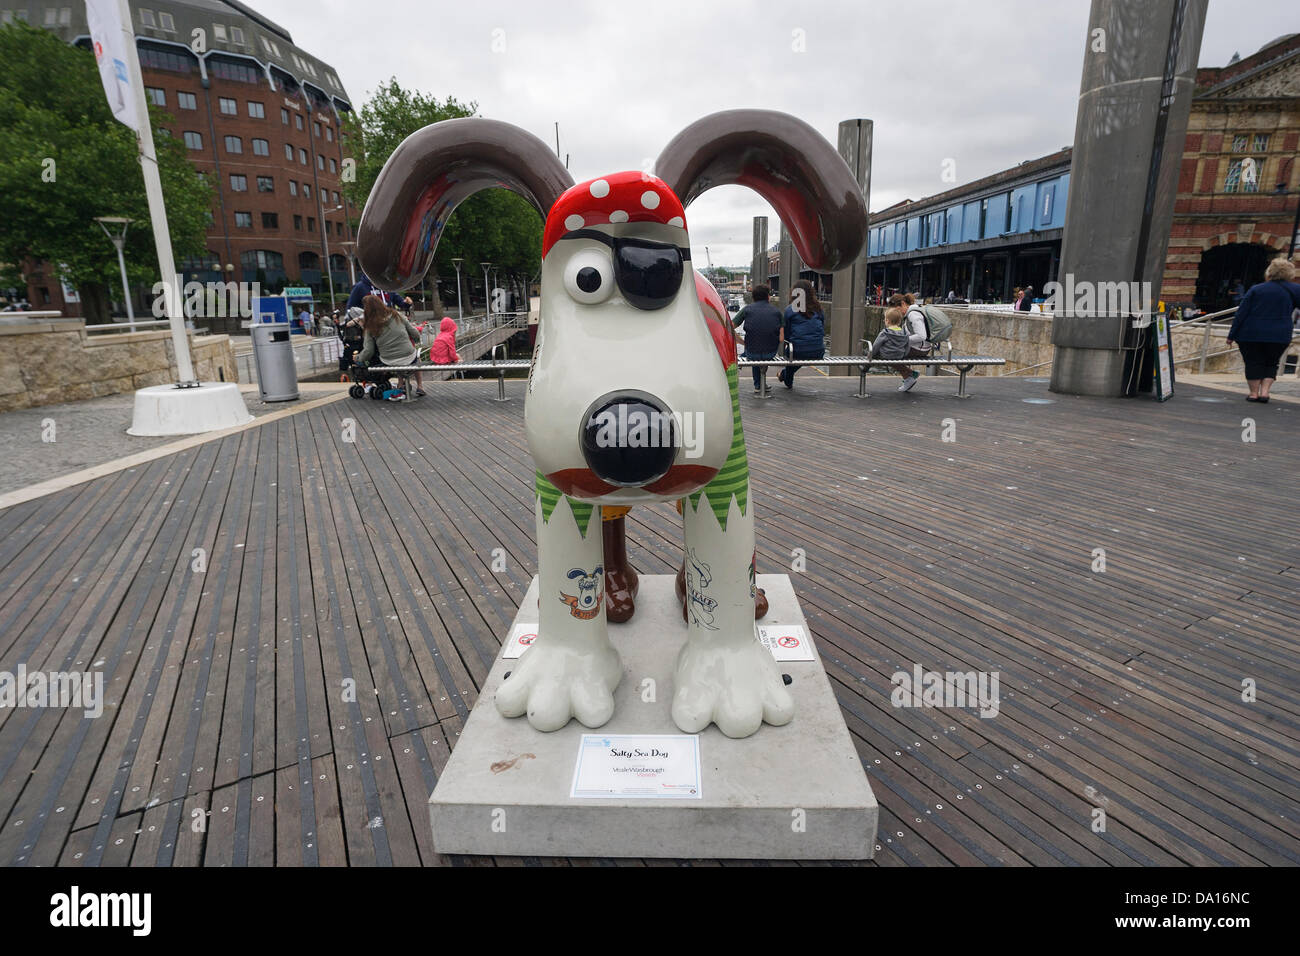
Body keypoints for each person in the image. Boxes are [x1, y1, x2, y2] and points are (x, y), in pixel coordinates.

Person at [1226, 258, 1300, 403]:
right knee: (1272, 362)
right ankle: (1265, 392)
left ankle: (1253, 393)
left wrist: (1231, 335)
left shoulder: (1257, 289)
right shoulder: (1296, 289)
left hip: (1251, 333)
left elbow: (1241, 313)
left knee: (1253, 362)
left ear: (1270, 272)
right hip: (1279, 333)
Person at [357, 294, 425, 396]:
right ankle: (420, 386)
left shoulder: (370, 325)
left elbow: (368, 351)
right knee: (415, 356)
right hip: (408, 356)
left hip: (387, 360)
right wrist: (416, 340)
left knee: (396, 357)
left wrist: (358, 358)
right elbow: (414, 333)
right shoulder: (396, 315)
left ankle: (401, 384)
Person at [732, 284, 784, 392]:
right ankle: (760, 385)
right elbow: (781, 339)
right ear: (768, 297)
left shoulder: (747, 309)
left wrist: (742, 342)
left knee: (754, 350)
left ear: (753, 297)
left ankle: (758, 385)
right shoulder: (777, 312)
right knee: (762, 347)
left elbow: (729, 328)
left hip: (752, 352)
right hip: (770, 353)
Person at [778, 279, 826, 389]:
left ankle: (786, 378)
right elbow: (822, 328)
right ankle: (783, 375)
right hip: (818, 351)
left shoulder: (790, 310)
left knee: (793, 352)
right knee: (800, 351)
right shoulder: (819, 309)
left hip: (797, 351)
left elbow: (787, 333)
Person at [890, 292, 932, 392]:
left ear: (903, 304)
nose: (898, 313)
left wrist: (903, 340)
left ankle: (909, 376)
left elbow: (922, 336)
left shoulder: (913, 314)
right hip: (919, 346)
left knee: (888, 353)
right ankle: (910, 375)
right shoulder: (912, 312)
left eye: (897, 310)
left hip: (920, 349)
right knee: (888, 351)